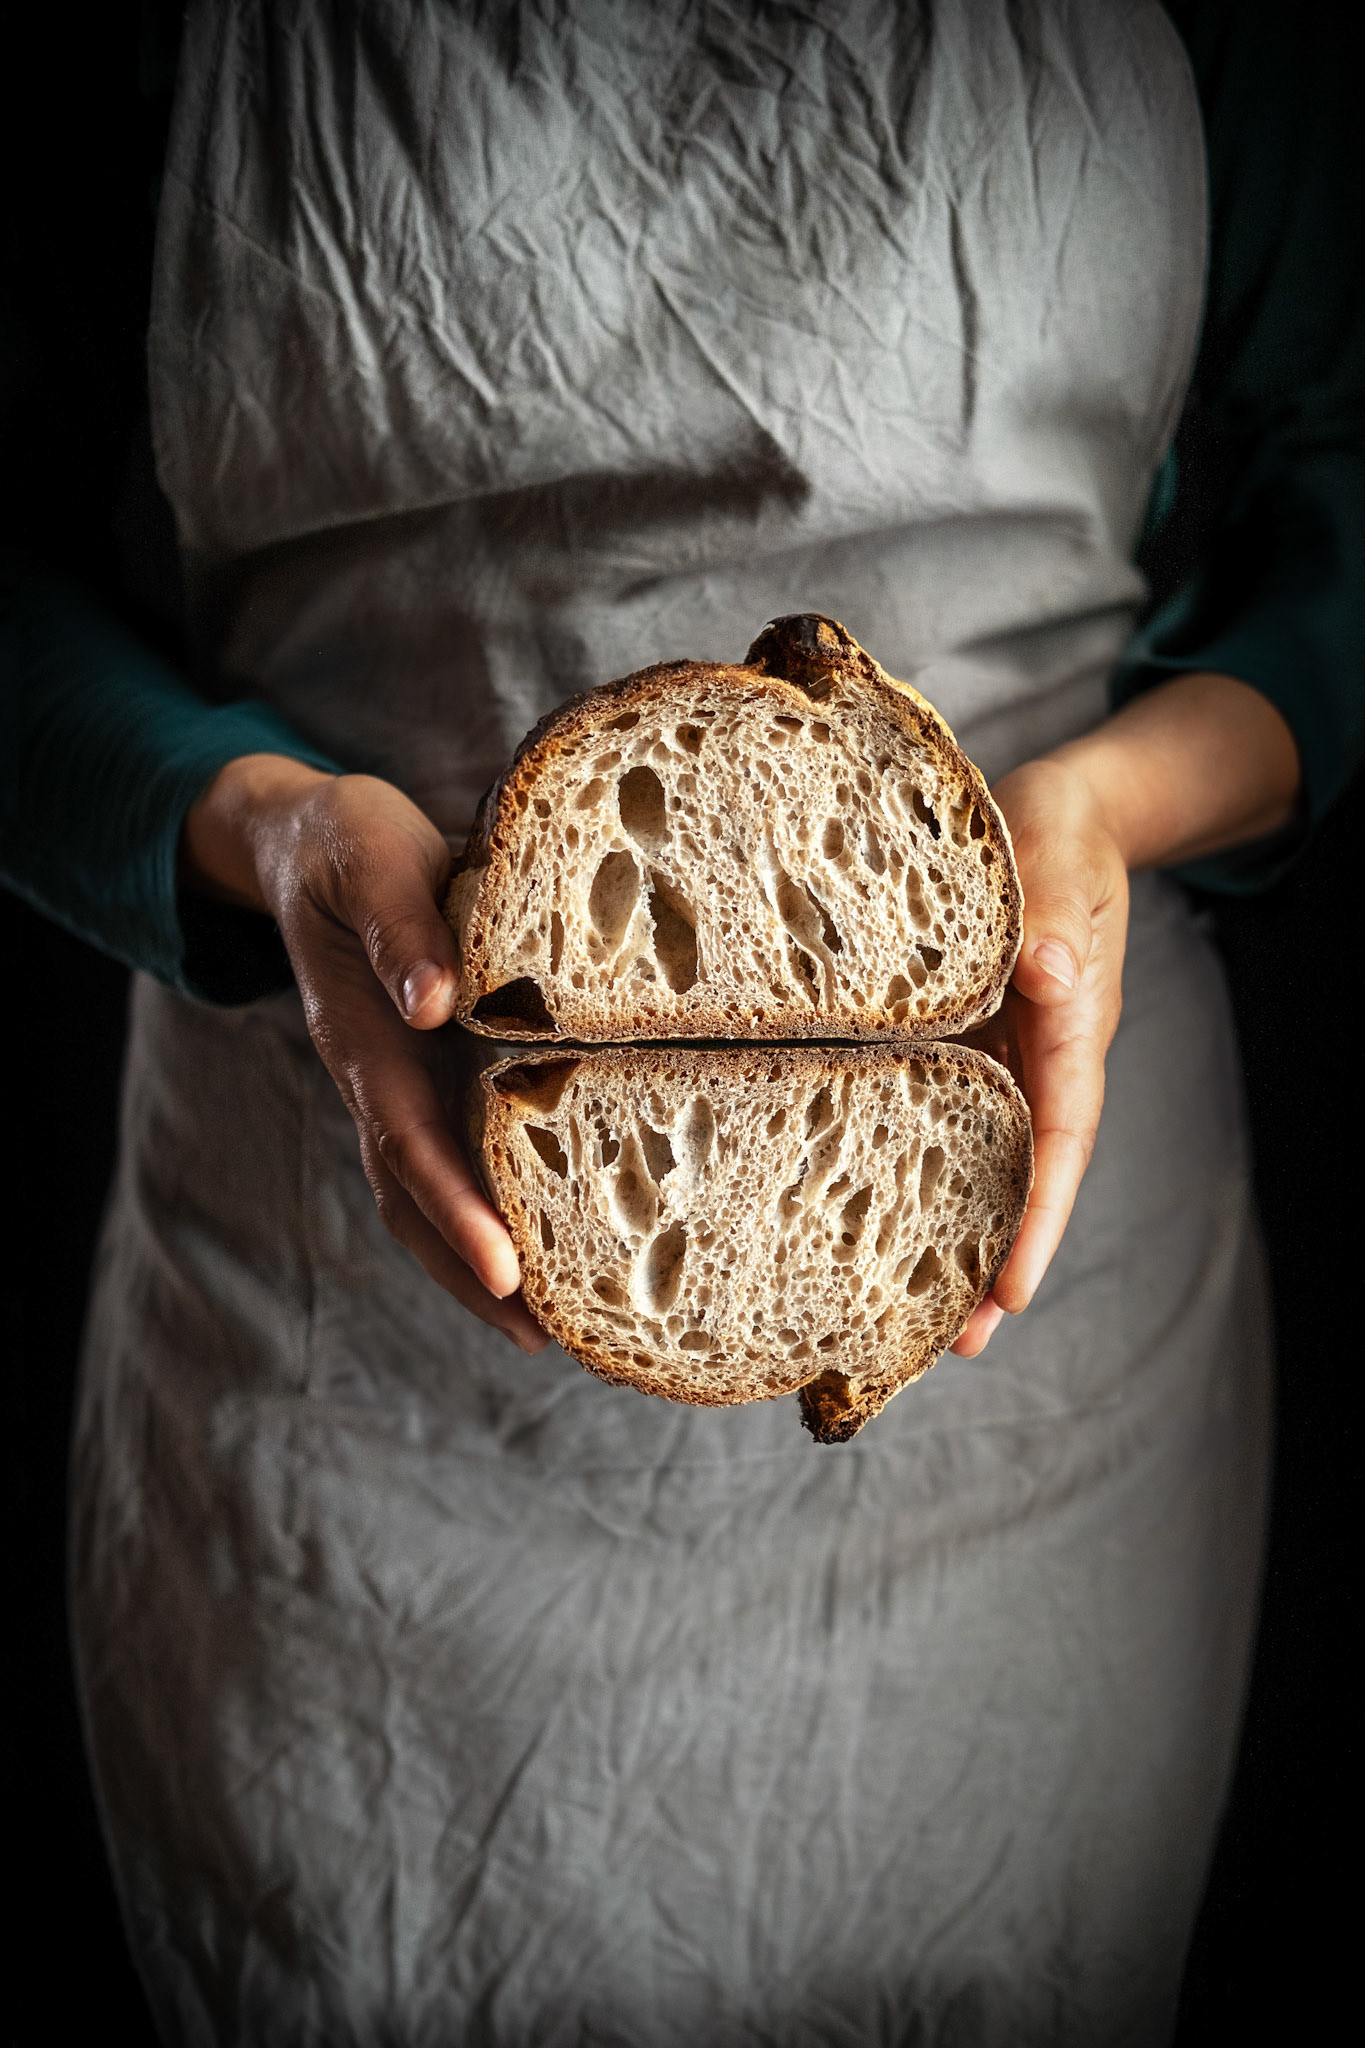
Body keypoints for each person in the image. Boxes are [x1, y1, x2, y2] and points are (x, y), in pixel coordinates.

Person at [3, 3, 1361, 2042]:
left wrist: (1103, 805)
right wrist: (270, 834)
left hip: (1011, 1369)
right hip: (336, 1415)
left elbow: (1340, 512)